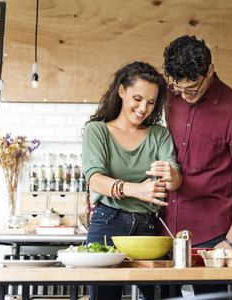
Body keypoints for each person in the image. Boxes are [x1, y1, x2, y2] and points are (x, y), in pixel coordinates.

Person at [161, 35, 232, 294]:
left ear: (210, 70)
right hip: (163, 233)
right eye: (178, 89)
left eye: (192, 88)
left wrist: (231, 241)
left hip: (212, 238)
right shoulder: (169, 98)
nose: (184, 96)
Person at [82, 61, 182, 300]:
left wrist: (173, 175)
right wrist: (138, 190)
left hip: (148, 229)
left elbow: (174, 180)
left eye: (150, 102)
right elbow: (95, 180)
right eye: (137, 98)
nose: (143, 108)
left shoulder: (159, 134)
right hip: (107, 225)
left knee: (167, 295)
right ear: (122, 91)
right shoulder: (97, 131)